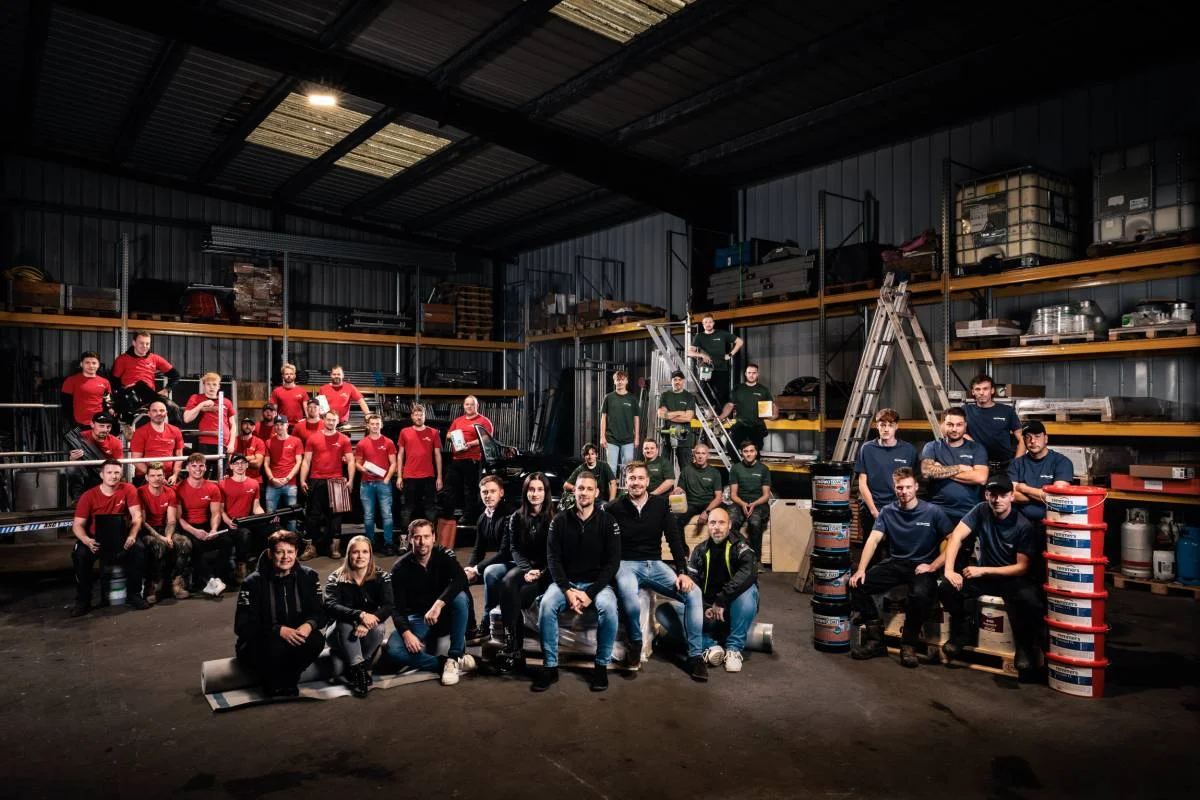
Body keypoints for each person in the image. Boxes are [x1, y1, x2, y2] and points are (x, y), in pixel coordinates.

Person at [608, 461, 708, 680]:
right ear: (626, 481)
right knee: (629, 594)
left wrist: (682, 571)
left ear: (647, 481)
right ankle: (635, 643)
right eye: (631, 478)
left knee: (694, 593)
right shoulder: (614, 507)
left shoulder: (660, 505)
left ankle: (695, 656)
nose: (636, 483)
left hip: (654, 564)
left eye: (640, 478)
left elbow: (674, 539)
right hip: (626, 564)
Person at [848, 467, 954, 667]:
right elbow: (873, 540)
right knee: (857, 585)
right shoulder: (888, 511)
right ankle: (876, 641)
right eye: (899, 488)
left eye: (908, 487)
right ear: (894, 488)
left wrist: (933, 566)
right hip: (896, 562)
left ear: (916, 487)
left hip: (922, 566)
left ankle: (908, 645)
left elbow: (953, 540)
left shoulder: (933, 512)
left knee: (920, 594)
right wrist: (861, 569)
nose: (904, 492)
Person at [940, 475, 1043, 671]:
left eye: (1003, 495)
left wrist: (983, 570)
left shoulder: (1023, 525)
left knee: (1030, 599)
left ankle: (1024, 647)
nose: (997, 500)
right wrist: (949, 571)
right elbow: (956, 537)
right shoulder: (981, 510)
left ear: (1012, 497)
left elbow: (1021, 567)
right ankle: (963, 632)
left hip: (1011, 577)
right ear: (987, 496)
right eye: (993, 495)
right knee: (947, 588)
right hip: (985, 577)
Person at [533, 472, 622, 693]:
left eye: (589, 489)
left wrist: (590, 593)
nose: (584, 493)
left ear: (597, 492)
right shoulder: (559, 520)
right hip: (567, 582)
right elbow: (553, 560)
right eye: (580, 488)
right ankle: (550, 667)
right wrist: (567, 590)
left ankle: (600, 666)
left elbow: (612, 563)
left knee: (609, 608)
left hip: (597, 585)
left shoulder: (608, 522)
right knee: (546, 605)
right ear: (574, 491)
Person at [657, 507, 759, 674]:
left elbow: (749, 573)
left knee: (749, 590)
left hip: (732, 611)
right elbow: (693, 586)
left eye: (721, 523)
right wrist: (704, 607)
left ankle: (733, 649)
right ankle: (710, 646)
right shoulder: (699, 551)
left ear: (729, 525)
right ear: (708, 526)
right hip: (708, 614)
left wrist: (721, 600)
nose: (716, 527)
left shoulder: (741, 546)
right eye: (712, 523)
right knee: (664, 611)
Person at [234, 531, 326, 698]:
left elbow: (320, 613)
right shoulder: (252, 582)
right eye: (280, 552)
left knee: (316, 639)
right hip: (262, 642)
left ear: (296, 553)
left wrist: (309, 624)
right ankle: (273, 682)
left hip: (295, 638)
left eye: (290, 551)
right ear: (270, 554)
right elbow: (243, 626)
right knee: (275, 646)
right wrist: (278, 630)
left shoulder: (309, 576)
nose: (285, 557)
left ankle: (290, 679)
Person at [384, 519, 476, 686]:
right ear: (410, 539)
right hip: (418, 619)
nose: (422, 542)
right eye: (417, 537)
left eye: (426, 536)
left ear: (434, 537)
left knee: (460, 597)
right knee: (394, 650)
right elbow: (396, 608)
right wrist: (406, 633)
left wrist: (438, 605)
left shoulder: (442, 556)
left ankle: (454, 655)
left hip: (443, 616)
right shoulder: (400, 568)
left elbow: (461, 578)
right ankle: (446, 663)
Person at [70, 459, 147, 616]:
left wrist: (132, 536)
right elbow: (77, 525)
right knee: (80, 554)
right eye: (109, 472)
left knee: (139, 549)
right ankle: (83, 600)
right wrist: (86, 540)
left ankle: (134, 595)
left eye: (117, 472)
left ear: (121, 474)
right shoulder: (88, 496)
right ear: (101, 475)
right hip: (95, 540)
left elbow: (137, 516)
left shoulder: (129, 489)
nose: (113, 476)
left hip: (122, 538)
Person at [495, 472, 554, 671]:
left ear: (546, 492)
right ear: (525, 492)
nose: (535, 494)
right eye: (531, 489)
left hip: (547, 570)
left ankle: (516, 652)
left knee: (518, 597)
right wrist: (527, 570)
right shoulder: (516, 517)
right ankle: (512, 645)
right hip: (525, 567)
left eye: (539, 489)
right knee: (507, 582)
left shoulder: (555, 518)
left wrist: (541, 572)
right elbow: (514, 549)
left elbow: (554, 553)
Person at [323, 535, 394, 698]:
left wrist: (367, 622)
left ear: (370, 554)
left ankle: (361, 664)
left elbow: (388, 606)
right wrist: (360, 615)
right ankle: (359, 672)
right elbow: (331, 606)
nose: (360, 556)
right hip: (338, 634)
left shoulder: (381, 576)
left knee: (379, 626)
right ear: (348, 554)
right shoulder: (336, 577)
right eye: (355, 552)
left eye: (365, 552)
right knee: (345, 623)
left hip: (366, 632)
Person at [853, 408, 919, 538]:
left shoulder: (908, 450)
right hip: (872, 508)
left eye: (890, 425)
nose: (886, 429)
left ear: (896, 426)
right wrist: (874, 512)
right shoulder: (867, 449)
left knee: (896, 548)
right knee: (872, 548)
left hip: (899, 510)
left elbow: (913, 483)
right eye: (882, 425)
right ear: (877, 426)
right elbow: (862, 483)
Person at [300, 410, 355, 559]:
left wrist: (350, 480)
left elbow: (351, 461)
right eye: (329, 419)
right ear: (324, 420)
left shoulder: (344, 439)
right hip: (316, 480)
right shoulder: (313, 438)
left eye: (334, 420)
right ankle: (312, 548)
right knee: (313, 516)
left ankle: (334, 548)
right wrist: (302, 479)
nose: (331, 422)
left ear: (338, 421)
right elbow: (306, 461)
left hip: (337, 480)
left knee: (336, 516)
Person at [920, 407, 989, 525]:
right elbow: (926, 471)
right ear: (943, 425)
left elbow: (981, 478)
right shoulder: (932, 447)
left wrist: (941, 469)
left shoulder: (977, 448)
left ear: (965, 426)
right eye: (950, 424)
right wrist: (960, 468)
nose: (954, 429)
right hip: (938, 509)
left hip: (968, 511)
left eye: (959, 425)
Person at [175, 453, 231, 594]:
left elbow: (216, 513)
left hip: (206, 525)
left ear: (205, 468)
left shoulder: (212, 488)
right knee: (195, 544)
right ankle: (210, 580)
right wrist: (194, 531)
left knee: (226, 542)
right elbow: (179, 518)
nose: (198, 469)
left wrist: (213, 529)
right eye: (194, 466)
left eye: (201, 466)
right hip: (188, 526)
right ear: (187, 468)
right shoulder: (178, 488)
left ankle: (219, 578)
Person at [465, 475, 511, 643]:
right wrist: (469, 569)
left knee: (490, 573)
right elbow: (478, 550)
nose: (488, 495)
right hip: (501, 561)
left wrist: (477, 569)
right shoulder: (483, 518)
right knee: (459, 578)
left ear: (501, 493)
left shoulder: (509, 515)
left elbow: (505, 552)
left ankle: (486, 625)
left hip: (514, 562)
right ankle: (470, 628)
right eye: (485, 492)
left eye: (492, 491)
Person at [137, 461, 191, 603]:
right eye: (153, 475)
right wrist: (162, 538)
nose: (156, 479)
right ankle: (153, 585)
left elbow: (171, 520)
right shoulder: (140, 492)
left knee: (185, 543)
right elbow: (143, 522)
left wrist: (168, 536)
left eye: (159, 475)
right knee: (158, 545)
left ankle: (176, 582)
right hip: (146, 531)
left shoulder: (170, 492)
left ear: (164, 476)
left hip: (165, 529)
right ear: (147, 477)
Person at [1008, 420, 1074, 523]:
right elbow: (1011, 496)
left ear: (1046, 438)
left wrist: (1024, 488)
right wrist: (1044, 496)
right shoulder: (1016, 464)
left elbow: (1058, 499)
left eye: (1037, 436)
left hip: (1051, 522)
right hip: (1021, 523)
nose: (1032, 441)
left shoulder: (1062, 462)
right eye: (1028, 437)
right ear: (1024, 440)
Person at [396, 403, 443, 537]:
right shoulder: (404, 432)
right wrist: (399, 476)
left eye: (421, 415)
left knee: (430, 510)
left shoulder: (433, 432)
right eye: (416, 415)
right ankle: (404, 540)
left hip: (428, 477)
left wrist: (439, 477)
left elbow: (437, 455)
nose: (418, 417)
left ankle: (431, 539)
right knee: (407, 509)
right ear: (412, 416)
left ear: (424, 416)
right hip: (409, 477)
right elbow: (400, 455)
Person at [446, 396, 494, 523]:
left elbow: (487, 438)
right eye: (467, 404)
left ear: (477, 406)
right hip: (457, 459)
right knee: (452, 488)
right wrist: (453, 437)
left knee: (470, 489)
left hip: (473, 459)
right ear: (464, 406)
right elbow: (448, 434)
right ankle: (450, 515)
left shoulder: (484, 421)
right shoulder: (458, 421)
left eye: (472, 404)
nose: (469, 406)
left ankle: (468, 516)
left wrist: (470, 444)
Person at [964, 374, 1024, 473]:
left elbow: (1022, 438)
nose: (981, 393)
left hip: (1005, 466)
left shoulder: (1006, 411)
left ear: (992, 390)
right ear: (973, 392)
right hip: (978, 465)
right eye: (978, 389)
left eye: (985, 389)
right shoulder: (966, 410)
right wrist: (969, 440)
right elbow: (946, 428)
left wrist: (1017, 462)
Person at [355, 414, 397, 555]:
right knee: (368, 516)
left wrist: (387, 479)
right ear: (368, 425)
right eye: (372, 424)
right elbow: (357, 463)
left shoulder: (388, 442)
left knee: (387, 515)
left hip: (383, 483)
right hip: (366, 484)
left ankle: (388, 543)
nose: (375, 426)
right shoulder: (362, 443)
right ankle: (370, 544)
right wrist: (364, 470)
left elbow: (393, 463)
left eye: (377, 423)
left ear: (381, 425)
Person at [220, 453, 265, 582]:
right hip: (228, 522)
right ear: (231, 466)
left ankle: (252, 564)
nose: (240, 466)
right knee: (242, 535)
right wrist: (228, 521)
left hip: (245, 521)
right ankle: (239, 566)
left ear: (247, 465)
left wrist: (266, 518)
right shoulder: (223, 484)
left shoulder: (254, 483)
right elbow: (220, 509)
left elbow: (256, 507)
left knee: (268, 529)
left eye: (243, 463)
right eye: (236, 463)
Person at [183, 372, 235, 478]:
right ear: (204, 385)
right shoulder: (196, 398)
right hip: (205, 442)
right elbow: (187, 418)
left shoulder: (226, 402)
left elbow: (233, 424)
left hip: (223, 443)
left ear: (219, 386)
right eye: (208, 384)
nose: (212, 387)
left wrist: (232, 443)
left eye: (214, 384)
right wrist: (201, 405)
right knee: (202, 476)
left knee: (219, 477)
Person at [110, 331, 178, 409]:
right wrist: (123, 389)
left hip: (149, 397)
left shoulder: (154, 358)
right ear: (134, 343)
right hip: (130, 397)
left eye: (147, 344)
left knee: (172, 407)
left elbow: (175, 375)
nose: (145, 346)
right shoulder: (122, 359)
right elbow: (113, 381)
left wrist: (166, 390)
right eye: (141, 343)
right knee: (140, 385)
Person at [688, 314, 742, 411]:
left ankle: (724, 416)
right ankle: (713, 405)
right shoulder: (699, 336)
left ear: (713, 323)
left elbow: (739, 342)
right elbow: (690, 352)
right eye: (705, 322)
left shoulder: (722, 334)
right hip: (706, 369)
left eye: (710, 322)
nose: (708, 324)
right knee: (702, 390)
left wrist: (730, 355)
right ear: (703, 324)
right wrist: (702, 355)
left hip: (721, 369)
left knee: (722, 394)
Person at [719, 363, 776, 455]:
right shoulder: (738, 389)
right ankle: (738, 464)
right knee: (730, 447)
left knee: (755, 452)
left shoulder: (763, 390)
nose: (751, 375)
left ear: (757, 374)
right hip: (741, 425)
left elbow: (772, 405)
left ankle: (754, 463)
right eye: (749, 373)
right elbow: (730, 405)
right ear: (745, 374)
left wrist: (775, 415)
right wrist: (721, 417)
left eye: (754, 373)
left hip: (757, 426)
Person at [263, 416, 304, 538]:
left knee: (292, 516)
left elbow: (298, 462)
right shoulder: (269, 442)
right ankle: (272, 542)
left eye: (281, 424)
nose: (279, 427)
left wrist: (287, 478)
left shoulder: (296, 441)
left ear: (287, 425)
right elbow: (266, 464)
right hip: (273, 484)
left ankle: (292, 542)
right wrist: (272, 479)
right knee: (270, 516)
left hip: (290, 484)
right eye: (276, 424)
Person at [728, 440, 771, 557]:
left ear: (756, 452)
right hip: (740, 502)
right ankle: (740, 550)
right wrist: (743, 504)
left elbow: (766, 495)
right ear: (741, 452)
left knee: (754, 522)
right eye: (746, 451)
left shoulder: (763, 469)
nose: (749, 454)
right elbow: (733, 495)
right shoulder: (736, 469)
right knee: (730, 522)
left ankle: (756, 559)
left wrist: (754, 504)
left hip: (759, 504)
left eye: (751, 451)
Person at [670, 442, 724, 530]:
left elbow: (718, 497)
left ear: (708, 456)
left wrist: (706, 512)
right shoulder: (686, 470)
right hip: (691, 504)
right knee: (674, 519)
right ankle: (680, 540)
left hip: (708, 504)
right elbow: (680, 488)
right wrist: (677, 491)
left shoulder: (714, 472)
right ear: (694, 455)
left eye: (703, 453)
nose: (700, 456)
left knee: (721, 518)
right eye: (698, 453)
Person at [130, 400, 184, 485]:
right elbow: (136, 460)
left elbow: (179, 457)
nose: (159, 413)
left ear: (166, 413)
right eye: (154, 411)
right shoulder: (140, 433)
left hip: (169, 477)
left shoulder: (175, 431)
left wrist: (175, 475)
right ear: (149, 414)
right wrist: (155, 476)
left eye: (162, 411)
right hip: (146, 477)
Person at [599, 369, 639, 473]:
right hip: (612, 438)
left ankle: (627, 485)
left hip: (628, 439)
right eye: (617, 380)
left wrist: (636, 437)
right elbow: (603, 418)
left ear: (626, 381)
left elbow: (636, 418)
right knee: (611, 468)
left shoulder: (632, 398)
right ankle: (612, 485)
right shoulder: (608, 397)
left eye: (622, 379)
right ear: (614, 382)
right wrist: (602, 437)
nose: (620, 382)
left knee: (628, 469)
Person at [61, 350, 112, 430]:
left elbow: (108, 403)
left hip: (99, 424)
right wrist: (71, 423)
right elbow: (66, 404)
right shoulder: (71, 381)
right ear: (81, 364)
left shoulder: (105, 382)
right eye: (87, 362)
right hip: (78, 424)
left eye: (94, 363)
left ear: (98, 365)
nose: (91, 366)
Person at [658, 370, 697, 470]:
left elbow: (688, 417)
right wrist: (680, 412)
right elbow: (661, 414)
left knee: (686, 469)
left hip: (684, 439)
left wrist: (669, 414)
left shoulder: (689, 397)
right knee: (664, 468)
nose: (677, 382)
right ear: (671, 381)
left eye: (679, 379)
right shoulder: (665, 395)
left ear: (683, 381)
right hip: (667, 437)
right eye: (675, 379)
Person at [233, 417, 267, 482]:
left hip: (254, 479)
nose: (247, 426)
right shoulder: (234, 441)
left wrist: (239, 460)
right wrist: (251, 457)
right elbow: (230, 462)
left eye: (250, 424)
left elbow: (257, 464)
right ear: (241, 426)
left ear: (254, 427)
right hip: (237, 479)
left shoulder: (259, 442)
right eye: (245, 424)